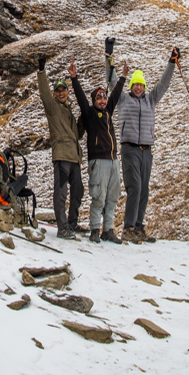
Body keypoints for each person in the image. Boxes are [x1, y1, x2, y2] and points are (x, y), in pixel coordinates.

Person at [105, 38, 177, 243]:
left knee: (144, 188)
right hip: (130, 149)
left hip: (147, 150)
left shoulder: (151, 99)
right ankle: (128, 227)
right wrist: (108, 56)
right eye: (135, 84)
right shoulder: (123, 99)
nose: (138, 88)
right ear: (131, 86)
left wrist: (171, 62)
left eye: (141, 85)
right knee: (134, 186)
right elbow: (111, 80)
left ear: (144, 86)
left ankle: (138, 227)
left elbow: (164, 83)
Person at [68, 57, 127, 244]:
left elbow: (116, 94)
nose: (102, 100)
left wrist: (123, 77)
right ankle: (95, 228)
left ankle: (108, 229)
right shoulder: (90, 114)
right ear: (94, 101)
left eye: (104, 97)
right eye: (99, 98)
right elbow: (81, 99)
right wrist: (74, 78)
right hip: (98, 161)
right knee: (98, 196)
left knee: (112, 196)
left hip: (113, 160)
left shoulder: (108, 110)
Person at [37, 56, 85, 239]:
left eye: (64, 89)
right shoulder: (53, 108)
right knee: (61, 192)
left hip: (74, 157)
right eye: (58, 91)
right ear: (56, 94)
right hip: (62, 157)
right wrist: (42, 71)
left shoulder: (69, 111)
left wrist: (83, 120)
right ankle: (62, 227)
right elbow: (44, 93)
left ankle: (72, 223)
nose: (61, 92)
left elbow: (77, 135)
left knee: (78, 191)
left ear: (67, 92)